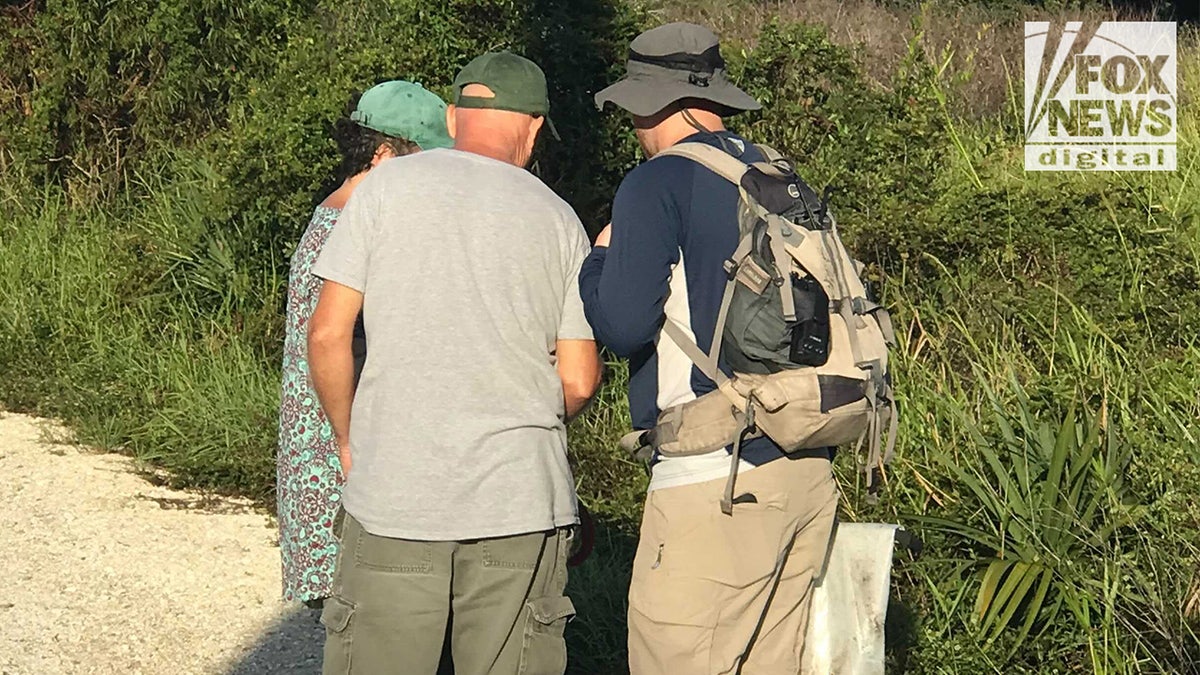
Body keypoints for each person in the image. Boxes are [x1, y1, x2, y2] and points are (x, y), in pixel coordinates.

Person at [308, 51, 602, 675]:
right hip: (520, 503)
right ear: (533, 127)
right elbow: (577, 378)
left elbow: (329, 335)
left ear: (451, 114)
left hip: (397, 494)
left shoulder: (384, 188)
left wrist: (346, 438)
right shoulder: (560, 219)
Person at [581, 23, 839, 674]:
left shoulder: (657, 182)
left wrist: (598, 258)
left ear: (652, 101)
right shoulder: (778, 173)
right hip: (806, 466)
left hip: (714, 479)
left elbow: (622, 325)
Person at [276, 80, 453, 608]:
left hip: (327, 456)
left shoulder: (334, 210)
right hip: (341, 458)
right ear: (382, 154)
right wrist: (352, 442)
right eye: (420, 158)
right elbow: (332, 339)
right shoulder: (353, 225)